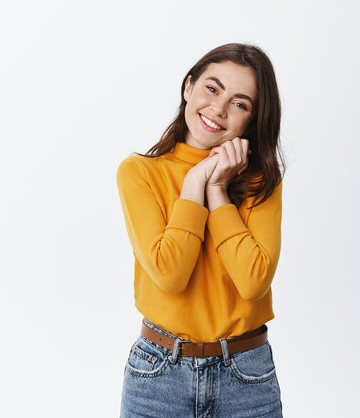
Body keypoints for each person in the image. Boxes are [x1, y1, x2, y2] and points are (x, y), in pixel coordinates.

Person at [116, 42, 285, 417]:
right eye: (212, 88)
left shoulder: (260, 180)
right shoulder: (140, 173)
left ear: (252, 120)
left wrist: (217, 190)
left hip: (246, 377)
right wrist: (194, 183)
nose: (219, 109)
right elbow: (170, 274)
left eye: (241, 104)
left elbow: (254, 281)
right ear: (188, 87)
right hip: (158, 375)